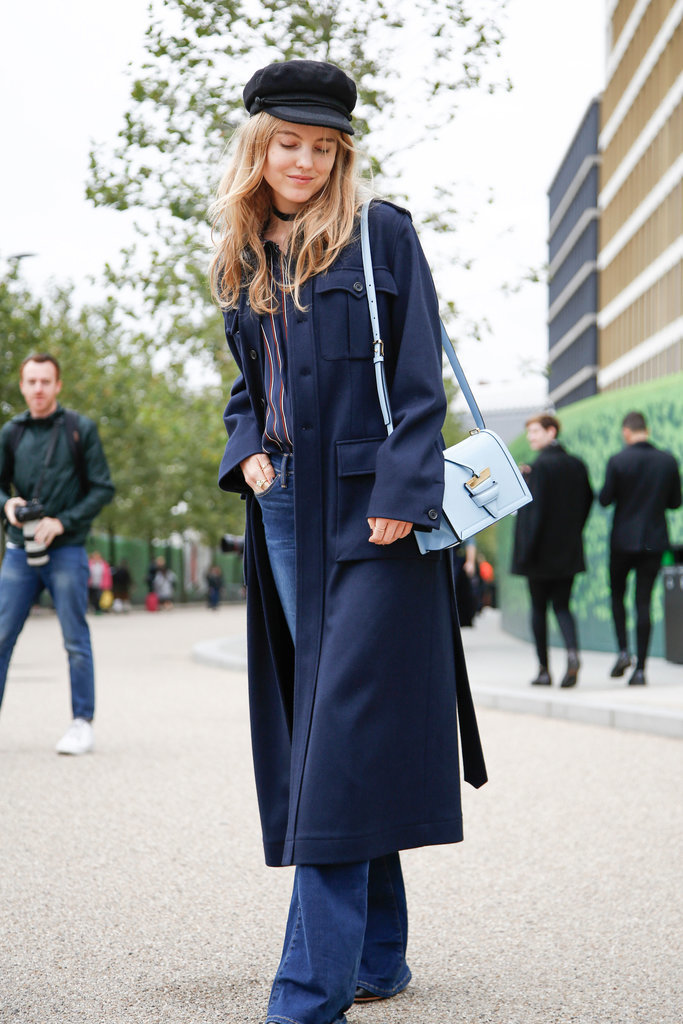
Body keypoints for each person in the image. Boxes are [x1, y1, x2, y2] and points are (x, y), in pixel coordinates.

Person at [210, 59, 487, 1024]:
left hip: (375, 515)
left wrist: (405, 491)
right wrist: (247, 451)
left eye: (323, 148)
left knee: (332, 742)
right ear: (258, 147)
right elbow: (249, 387)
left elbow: (417, 377)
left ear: (341, 156)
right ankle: (378, 957)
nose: (304, 161)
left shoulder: (379, 234)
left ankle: (305, 995)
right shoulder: (243, 256)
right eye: (288, 143)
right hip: (285, 508)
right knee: (337, 730)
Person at [0, 354, 114, 754]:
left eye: (45, 381)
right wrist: (7, 505)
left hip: (66, 550)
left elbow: (103, 488)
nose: (38, 389)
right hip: (19, 550)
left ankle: (82, 723)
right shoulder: (11, 432)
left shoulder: (80, 429)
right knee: (1, 636)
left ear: (58, 385)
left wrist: (62, 522)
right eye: (31, 381)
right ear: (22, 385)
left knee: (75, 639)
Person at [599, 410, 681, 685]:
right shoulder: (667, 461)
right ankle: (642, 669)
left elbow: (605, 499)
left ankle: (624, 651)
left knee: (617, 597)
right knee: (643, 602)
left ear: (626, 431)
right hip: (654, 541)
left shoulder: (618, 460)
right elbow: (675, 502)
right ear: (647, 429)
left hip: (622, 541)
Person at [511, 414, 593, 687]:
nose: (531, 437)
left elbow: (533, 515)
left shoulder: (538, 468)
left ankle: (544, 670)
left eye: (535, 431)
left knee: (538, 609)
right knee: (562, 606)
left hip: (538, 553)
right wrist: (574, 533)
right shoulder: (577, 465)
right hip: (568, 550)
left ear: (551, 431)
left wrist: (525, 553)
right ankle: (572, 654)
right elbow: (588, 501)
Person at [87, 549, 111, 614]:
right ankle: (94, 608)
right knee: (92, 597)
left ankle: (98, 609)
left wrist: (107, 584)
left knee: (98, 596)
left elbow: (107, 575)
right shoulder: (89, 563)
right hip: (91, 584)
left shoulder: (104, 564)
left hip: (100, 584)